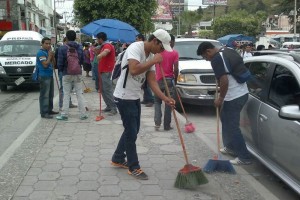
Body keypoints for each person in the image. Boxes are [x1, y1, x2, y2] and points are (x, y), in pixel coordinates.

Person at [111, 29, 175, 180]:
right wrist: (153, 61)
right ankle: (134, 166)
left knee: (132, 130)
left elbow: (152, 81)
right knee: (131, 132)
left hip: (134, 97)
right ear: (155, 41)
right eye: (161, 47)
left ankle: (118, 157)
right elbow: (133, 70)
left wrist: (164, 97)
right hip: (123, 96)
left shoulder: (151, 55)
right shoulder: (135, 48)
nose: (162, 51)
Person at [196, 41, 252, 165]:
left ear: (208, 51)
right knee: (225, 118)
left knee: (232, 126)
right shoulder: (227, 50)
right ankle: (230, 147)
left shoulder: (216, 59)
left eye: (205, 57)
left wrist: (220, 98)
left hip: (234, 96)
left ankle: (244, 157)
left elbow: (224, 80)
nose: (206, 60)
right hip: (240, 92)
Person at [56, 30, 88, 121]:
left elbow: (60, 63)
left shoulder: (62, 48)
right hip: (77, 73)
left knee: (66, 94)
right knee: (79, 93)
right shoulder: (80, 47)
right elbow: (82, 61)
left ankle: (64, 114)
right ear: (75, 37)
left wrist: (62, 71)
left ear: (67, 37)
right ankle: (83, 114)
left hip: (66, 73)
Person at [154, 34, 179, 131]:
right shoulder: (174, 53)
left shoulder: (157, 53)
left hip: (158, 80)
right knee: (169, 102)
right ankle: (166, 125)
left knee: (157, 102)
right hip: (169, 80)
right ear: (171, 42)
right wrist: (175, 81)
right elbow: (176, 69)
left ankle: (157, 123)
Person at [36, 37, 59, 119]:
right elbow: (45, 65)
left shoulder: (48, 52)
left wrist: (53, 57)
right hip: (43, 76)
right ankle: (44, 112)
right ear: (42, 44)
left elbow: (54, 64)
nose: (48, 45)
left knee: (50, 94)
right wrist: (49, 56)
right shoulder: (40, 53)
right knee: (44, 95)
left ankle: (49, 110)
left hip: (49, 75)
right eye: (46, 43)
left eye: (49, 44)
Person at [96, 32, 118, 116]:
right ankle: (109, 106)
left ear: (100, 39)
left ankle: (113, 108)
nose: (97, 41)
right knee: (103, 90)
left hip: (106, 71)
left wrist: (100, 55)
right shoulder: (102, 46)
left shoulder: (107, 45)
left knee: (107, 90)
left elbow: (106, 51)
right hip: (102, 71)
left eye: (97, 39)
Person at [55, 37, 77, 111]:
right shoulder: (60, 49)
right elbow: (58, 61)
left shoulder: (72, 48)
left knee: (69, 88)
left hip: (70, 71)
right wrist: (60, 70)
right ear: (65, 41)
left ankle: (69, 103)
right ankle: (62, 105)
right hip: (63, 72)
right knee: (63, 88)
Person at [136, 34, 154, 107]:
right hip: (142, 70)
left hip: (145, 70)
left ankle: (150, 100)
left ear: (141, 39)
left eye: (137, 39)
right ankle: (146, 99)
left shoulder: (147, 50)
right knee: (144, 86)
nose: (136, 40)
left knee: (146, 85)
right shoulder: (138, 48)